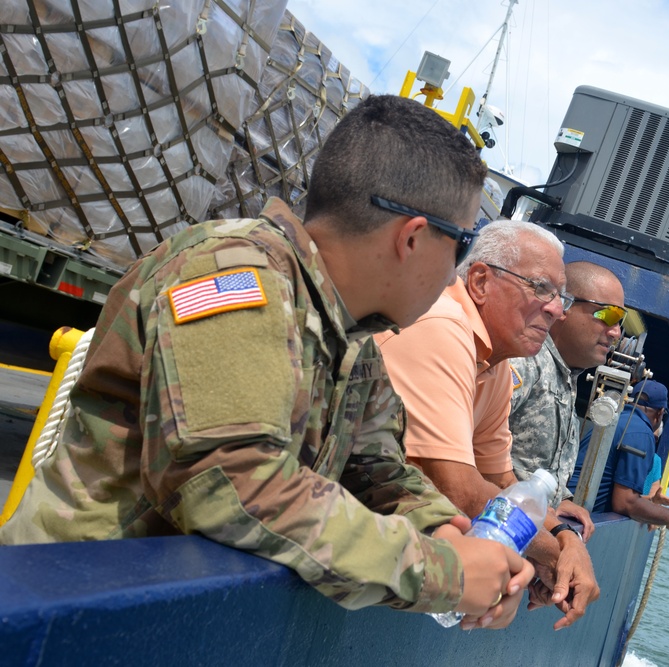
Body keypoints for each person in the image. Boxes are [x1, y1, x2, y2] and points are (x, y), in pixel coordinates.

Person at [0, 94, 534, 630]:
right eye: (463, 245)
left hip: (168, 616)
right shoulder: (232, 278)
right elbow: (231, 484)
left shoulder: (352, 338)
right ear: (412, 236)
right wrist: (442, 572)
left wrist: (451, 533)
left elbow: (376, 471)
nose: (454, 278)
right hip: (70, 609)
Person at [376, 220, 600, 630]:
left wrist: (567, 539)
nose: (556, 309)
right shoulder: (443, 327)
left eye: (561, 295)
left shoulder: (495, 364)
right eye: (541, 288)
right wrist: (555, 558)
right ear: (479, 281)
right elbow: (459, 487)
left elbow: (502, 481)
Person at [508, 261, 626, 541]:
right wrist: (552, 533)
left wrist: (561, 500)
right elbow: (473, 455)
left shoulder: (566, 378)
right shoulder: (525, 363)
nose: (616, 332)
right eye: (608, 315)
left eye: (620, 321)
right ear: (564, 308)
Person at [567, 380, 669, 534]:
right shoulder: (641, 433)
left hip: (564, 507)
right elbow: (625, 502)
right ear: (660, 412)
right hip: (574, 520)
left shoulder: (615, 419)